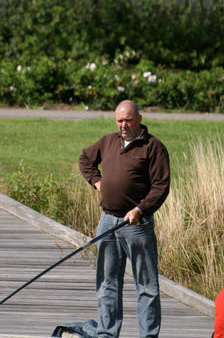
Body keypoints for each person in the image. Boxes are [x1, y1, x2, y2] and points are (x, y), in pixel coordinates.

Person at [78, 100, 170, 338]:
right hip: (108, 221)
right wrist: (97, 181)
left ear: (139, 118)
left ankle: (148, 335)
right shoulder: (108, 141)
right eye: (119, 120)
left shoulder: (153, 147)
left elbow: (161, 186)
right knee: (107, 284)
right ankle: (107, 334)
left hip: (137, 226)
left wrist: (140, 209)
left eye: (128, 120)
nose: (123, 125)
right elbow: (85, 160)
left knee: (147, 287)